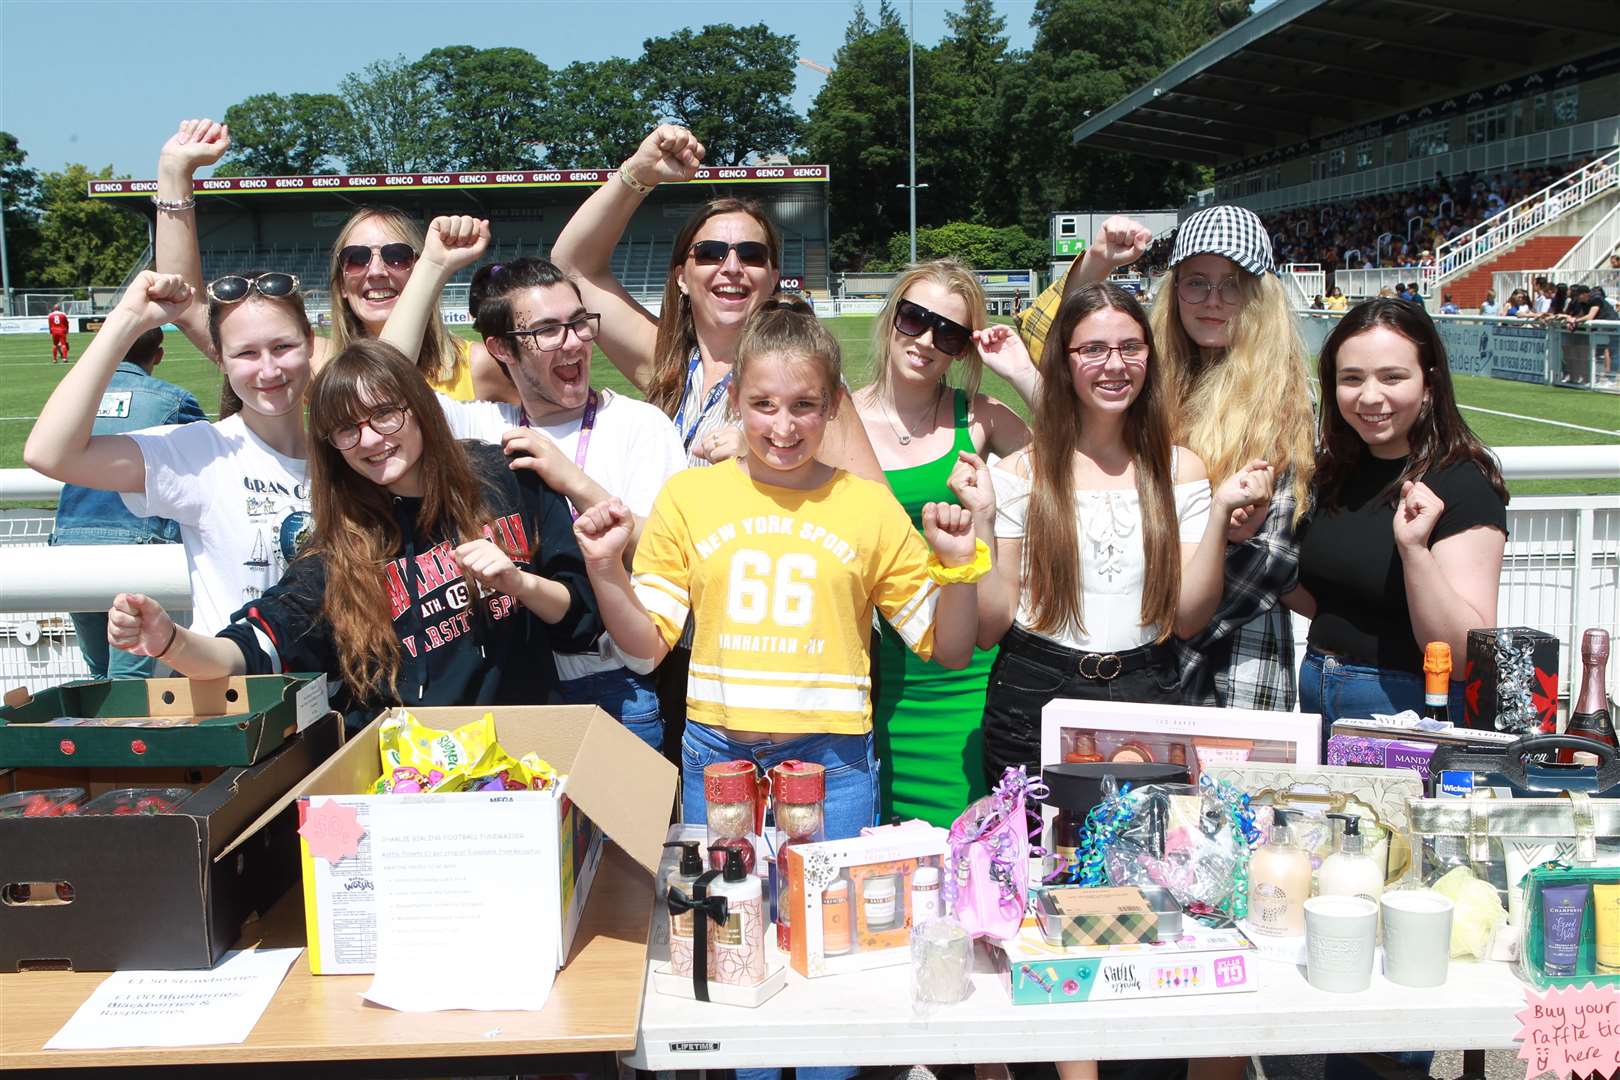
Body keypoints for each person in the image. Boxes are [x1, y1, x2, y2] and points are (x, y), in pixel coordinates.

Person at [573, 296, 983, 847]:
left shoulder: (869, 506)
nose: (783, 426)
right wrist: (604, 569)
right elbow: (646, 649)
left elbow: (951, 650)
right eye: (763, 403)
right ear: (736, 400)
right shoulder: (689, 496)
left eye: (804, 405)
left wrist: (957, 568)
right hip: (717, 759)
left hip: (831, 763)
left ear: (834, 405)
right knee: (726, 923)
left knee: (827, 926)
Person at [551, 124, 884, 762]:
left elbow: (873, 511)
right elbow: (570, 268)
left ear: (774, 276)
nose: (731, 268)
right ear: (681, 274)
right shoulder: (663, 366)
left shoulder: (812, 393)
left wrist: (775, 457)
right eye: (710, 253)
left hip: (770, 662)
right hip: (663, 643)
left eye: (752, 255)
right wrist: (638, 172)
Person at [106, 338, 602, 725]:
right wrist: (168, 639)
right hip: (407, 781)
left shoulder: (507, 478)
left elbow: (581, 619)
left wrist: (520, 583)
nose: (370, 439)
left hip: (527, 759)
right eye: (347, 428)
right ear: (332, 447)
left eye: (385, 414)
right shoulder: (337, 551)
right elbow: (245, 653)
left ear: (419, 408)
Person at [994, 208, 1318, 712]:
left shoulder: (1284, 397)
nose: (1213, 301)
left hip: (1233, 658)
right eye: (1197, 283)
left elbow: (1271, 556)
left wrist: (1161, 638)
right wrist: (1098, 262)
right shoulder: (1146, 365)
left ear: (1260, 296)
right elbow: (1047, 338)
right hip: (1132, 657)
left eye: (1232, 285)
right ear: (1174, 289)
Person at [386, 218, 687, 751]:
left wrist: (575, 482)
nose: (573, 343)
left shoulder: (640, 425)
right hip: (512, 684)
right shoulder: (481, 427)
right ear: (501, 348)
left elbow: (671, 553)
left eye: (579, 323)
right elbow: (383, 379)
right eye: (547, 331)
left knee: (626, 837)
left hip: (613, 685)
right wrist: (432, 263)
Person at [977, 282, 1274, 781]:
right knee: (1038, 857)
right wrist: (982, 526)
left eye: (1130, 347)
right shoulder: (1016, 475)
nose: (1114, 365)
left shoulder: (1181, 471)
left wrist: (1220, 513)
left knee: (1145, 855)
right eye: (1092, 349)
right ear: (1064, 362)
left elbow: (1187, 619)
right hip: (1034, 693)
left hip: (1146, 685)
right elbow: (990, 629)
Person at [25, 269, 312, 635]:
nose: (268, 369)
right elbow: (50, 453)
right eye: (247, 353)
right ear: (220, 359)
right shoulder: (199, 452)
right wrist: (125, 321)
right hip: (238, 687)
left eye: (283, 347)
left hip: (342, 689)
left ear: (310, 343)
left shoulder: (350, 450)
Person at [151, 118, 509, 403]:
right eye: (356, 259)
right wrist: (174, 174)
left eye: (396, 256)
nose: (377, 271)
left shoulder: (475, 366)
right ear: (340, 286)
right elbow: (186, 305)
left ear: (422, 267)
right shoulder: (316, 364)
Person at [852, 259, 1030, 825]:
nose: (927, 341)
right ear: (891, 317)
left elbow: (1079, 450)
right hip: (885, 670)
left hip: (974, 672)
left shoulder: (980, 417)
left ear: (962, 350)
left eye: (948, 333)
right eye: (914, 318)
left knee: (977, 848)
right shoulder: (839, 417)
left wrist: (1022, 374)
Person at [1287, 297, 1508, 730]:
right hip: (1318, 693)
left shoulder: (1463, 483)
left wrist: (1414, 550)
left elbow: (1462, 655)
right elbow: (1332, 604)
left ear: (1429, 383)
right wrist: (1254, 544)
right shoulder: (1332, 472)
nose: (1370, 396)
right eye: (1351, 378)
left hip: (1406, 709)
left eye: (1392, 377)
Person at [48, 326, 206, 679]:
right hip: (136, 545)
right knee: (129, 678)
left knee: (99, 675)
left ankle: (96, 735)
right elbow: (209, 468)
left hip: (70, 541)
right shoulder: (174, 401)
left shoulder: (72, 398)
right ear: (159, 355)